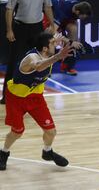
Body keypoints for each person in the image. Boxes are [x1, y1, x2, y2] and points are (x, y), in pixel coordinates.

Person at [0, 32, 72, 171]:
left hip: (36, 97)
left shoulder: (47, 53)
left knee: (51, 131)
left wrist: (63, 41)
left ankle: (47, 152)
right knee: (17, 131)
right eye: (52, 43)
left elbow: (54, 40)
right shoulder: (32, 58)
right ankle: (3, 152)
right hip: (16, 98)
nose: (55, 45)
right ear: (45, 48)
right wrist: (58, 56)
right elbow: (38, 66)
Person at [1, 0, 55, 105]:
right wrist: (9, 29)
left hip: (37, 29)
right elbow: (9, 10)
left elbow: (47, 7)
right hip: (20, 28)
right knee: (14, 62)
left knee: (39, 62)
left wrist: (52, 23)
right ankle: (6, 96)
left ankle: (34, 95)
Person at [44, 0, 92, 76]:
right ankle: (45, 67)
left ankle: (67, 65)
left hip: (62, 14)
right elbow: (53, 31)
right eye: (83, 17)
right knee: (49, 36)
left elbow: (75, 21)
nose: (84, 19)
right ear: (77, 12)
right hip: (48, 12)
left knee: (73, 29)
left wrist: (76, 40)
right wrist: (70, 42)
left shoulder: (77, 6)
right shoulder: (62, 10)